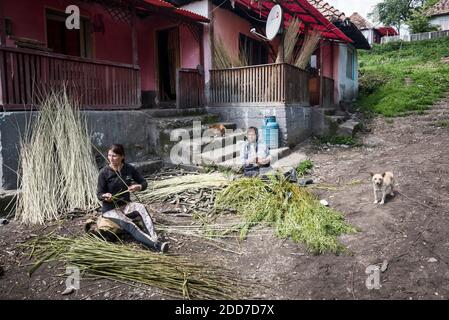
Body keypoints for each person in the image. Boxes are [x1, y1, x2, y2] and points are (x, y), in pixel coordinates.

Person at [96, 144, 168, 253]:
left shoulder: (129, 169)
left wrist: (138, 187)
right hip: (110, 210)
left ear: (122, 157)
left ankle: (154, 238)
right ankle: (156, 246)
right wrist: (105, 196)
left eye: (114, 156)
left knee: (142, 208)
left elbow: (144, 183)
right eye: (109, 155)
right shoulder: (104, 172)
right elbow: (99, 194)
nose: (111, 158)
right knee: (130, 224)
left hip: (126, 205)